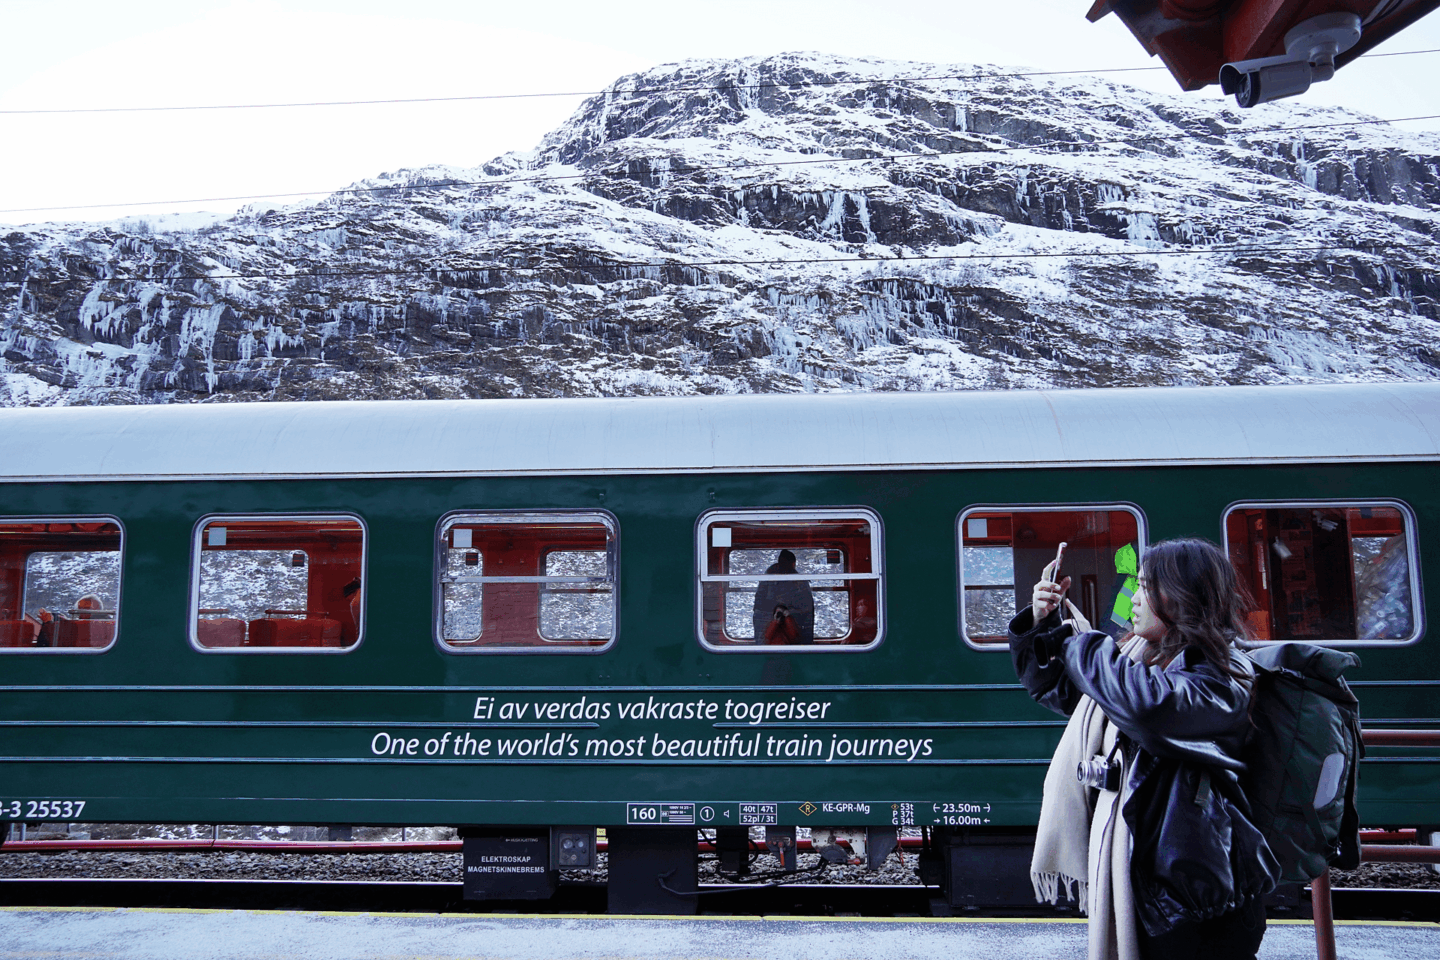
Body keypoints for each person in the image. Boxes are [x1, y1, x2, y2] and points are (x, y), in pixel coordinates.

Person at [1009, 538, 1277, 960]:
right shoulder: (1144, 660)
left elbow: (1147, 709)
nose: (1132, 598)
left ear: (1183, 595)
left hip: (1196, 904)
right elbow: (1065, 692)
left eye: (1146, 587)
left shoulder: (1223, 674)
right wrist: (1042, 625)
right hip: (1154, 891)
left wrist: (1075, 643)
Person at [752, 549, 815, 644]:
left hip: (766, 624)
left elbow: (759, 604)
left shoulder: (767, 578)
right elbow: (806, 608)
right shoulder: (799, 582)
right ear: (794, 563)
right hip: (793, 625)